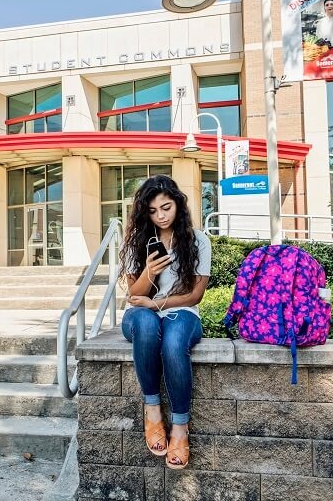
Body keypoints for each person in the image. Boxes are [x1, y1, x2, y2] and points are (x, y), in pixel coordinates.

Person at [119, 174, 211, 470]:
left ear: (179, 205)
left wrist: (156, 302)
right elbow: (135, 296)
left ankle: (181, 428)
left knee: (173, 344)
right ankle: (153, 409)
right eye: (153, 210)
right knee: (146, 323)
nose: (160, 216)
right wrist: (149, 272)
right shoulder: (139, 242)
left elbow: (194, 295)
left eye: (166, 208)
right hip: (142, 314)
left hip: (182, 313)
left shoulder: (198, 241)